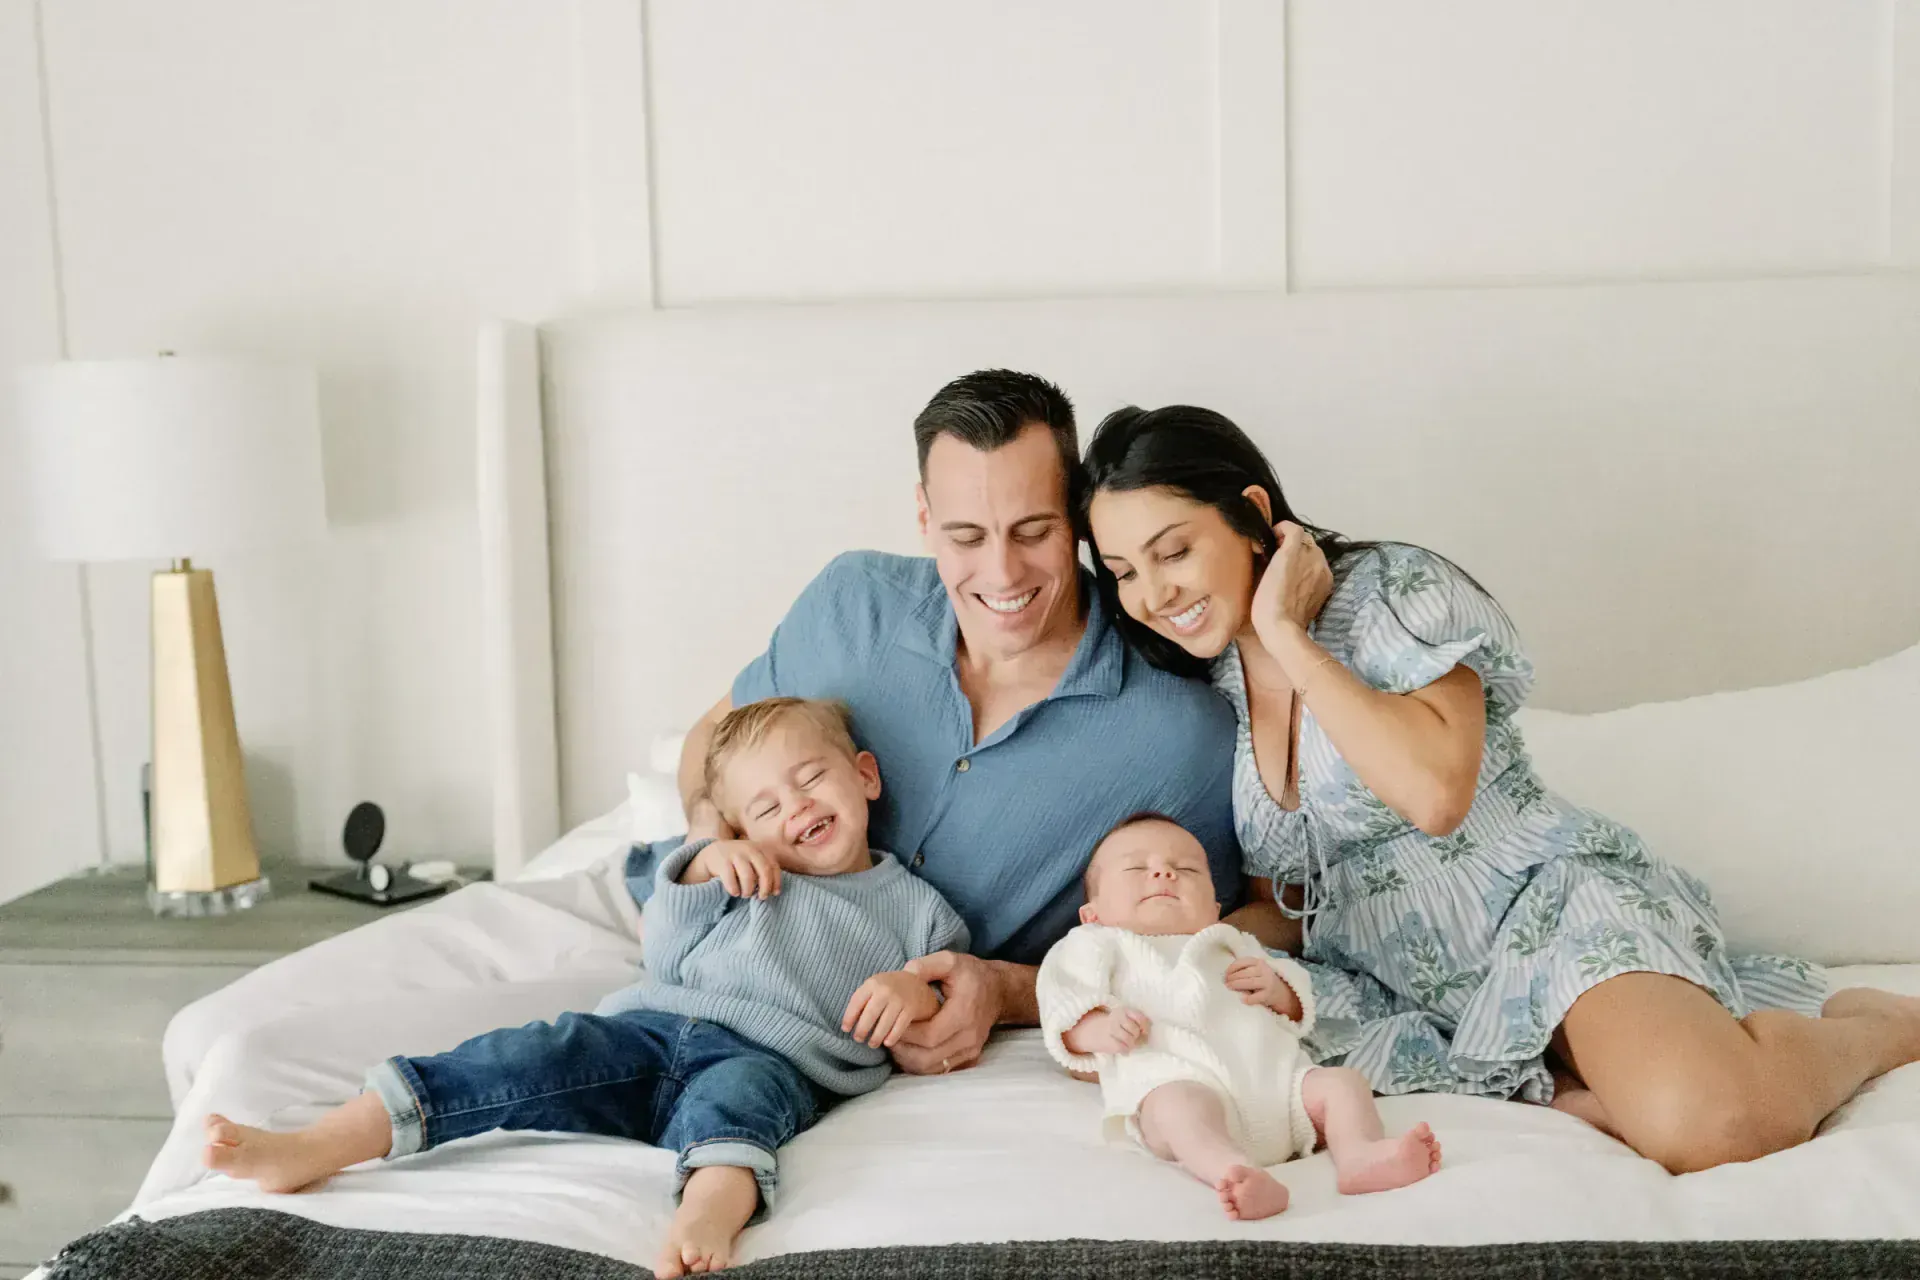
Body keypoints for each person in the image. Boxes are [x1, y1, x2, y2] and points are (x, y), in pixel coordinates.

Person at [1080, 403, 1920, 1174]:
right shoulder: (1212, 684)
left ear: (1254, 515)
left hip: (1546, 914)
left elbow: (1436, 796)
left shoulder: (1391, 594)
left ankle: (1876, 1029)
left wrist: (1288, 636)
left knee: (1712, 1126)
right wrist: (1161, 956)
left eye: (1174, 551)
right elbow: (1290, 903)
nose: (1152, 594)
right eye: (1122, 571)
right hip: (1400, 989)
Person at [200, 697, 968, 1278]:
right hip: (649, 1029)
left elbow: (942, 1000)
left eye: (812, 778)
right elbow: (664, 945)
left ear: (865, 776)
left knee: (740, 1112)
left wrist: (913, 993)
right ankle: (324, 1143)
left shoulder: (916, 907)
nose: (796, 807)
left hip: (774, 1059)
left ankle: (707, 1213)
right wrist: (704, 864)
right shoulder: (737, 875)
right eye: (766, 807)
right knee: (520, 1059)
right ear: (740, 828)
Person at [634, 370, 1242, 1077]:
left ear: (1077, 515)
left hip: (823, 1053)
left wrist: (1008, 992)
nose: (1002, 573)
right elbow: (710, 738)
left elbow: (1258, 926)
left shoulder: (1180, 731)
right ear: (924, 515)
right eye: (966, 536)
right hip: (690, 956)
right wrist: (708, 840)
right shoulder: (850, 603)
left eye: (1033, 531)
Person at [1040, 813, 1441, 1221]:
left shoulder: (1233, 943)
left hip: (1281, 1091)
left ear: (1214, 909)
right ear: (1091, 914)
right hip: (1180, 1082)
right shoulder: (1095, 944)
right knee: (1176, 1107)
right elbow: (1064, 1004)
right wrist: (1098, 1029)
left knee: (1343, 1084)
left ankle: (1360, 1154)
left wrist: (1279, 990)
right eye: (1136, 868)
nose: (1164, 873)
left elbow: (1297, 1005)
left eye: (1186, 869)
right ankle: (1233, 1171)